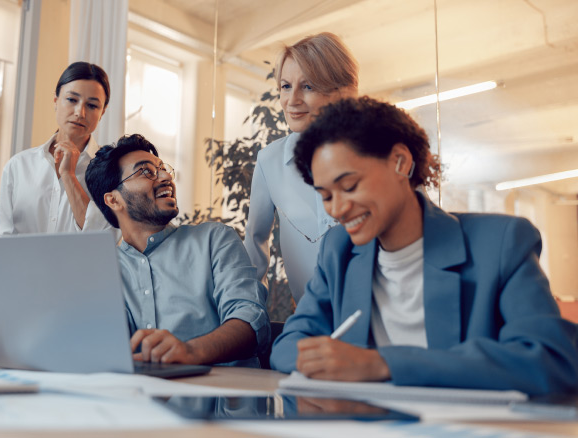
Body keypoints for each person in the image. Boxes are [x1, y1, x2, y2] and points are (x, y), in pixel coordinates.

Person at [269, 96, 578, 395]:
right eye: (325, 195)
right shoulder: (339, 251)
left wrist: (383, 364)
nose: (336, 209)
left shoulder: (500, 243)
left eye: (349, 186)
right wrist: (323, 360)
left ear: (400, 162)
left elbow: (552, 359)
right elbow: (288, 345)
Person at [0, 62, 116, 335]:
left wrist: (68, 175)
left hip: (76, 309)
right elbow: (10, 245)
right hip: (17, 305)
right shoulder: (18, 167)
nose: (80, 112)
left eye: (92, 105)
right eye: (72, 99)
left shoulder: (112, 171)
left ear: (102, 113)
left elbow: (103, 241)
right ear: (56, 101)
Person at [85, 134, 270, 367]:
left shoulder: (215, 239)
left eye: (163, 169)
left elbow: (252, 320)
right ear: (113, 200)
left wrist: (190, 352)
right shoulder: (105, 271)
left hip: (221, 399)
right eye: (146, 172)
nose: (165, 177)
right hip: (139, 399)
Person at [244, 32, 358, 304]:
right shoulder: (269, 161)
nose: (291, 100)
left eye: (307, 87)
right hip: (310, 320)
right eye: (285, 86)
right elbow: (254, 249)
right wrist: (249, 320)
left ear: (342, 92)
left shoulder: (379, 149)